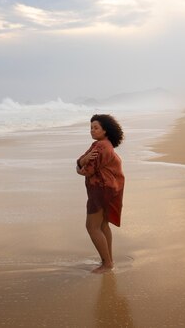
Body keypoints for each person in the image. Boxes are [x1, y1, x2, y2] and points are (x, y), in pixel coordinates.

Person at [76, 114, 125, 273]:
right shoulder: (101, 144)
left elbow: (85, 170)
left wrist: (79, 165)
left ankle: (107, 264)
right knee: (103, 224)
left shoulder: (101, 147)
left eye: (96, 127)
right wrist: (82, 161)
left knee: (92, 226)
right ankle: (108, 259)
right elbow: (81, 160)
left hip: (101, 190)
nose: (92, 130)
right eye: (91, 127)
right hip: (107, 189)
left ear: (105, 130)